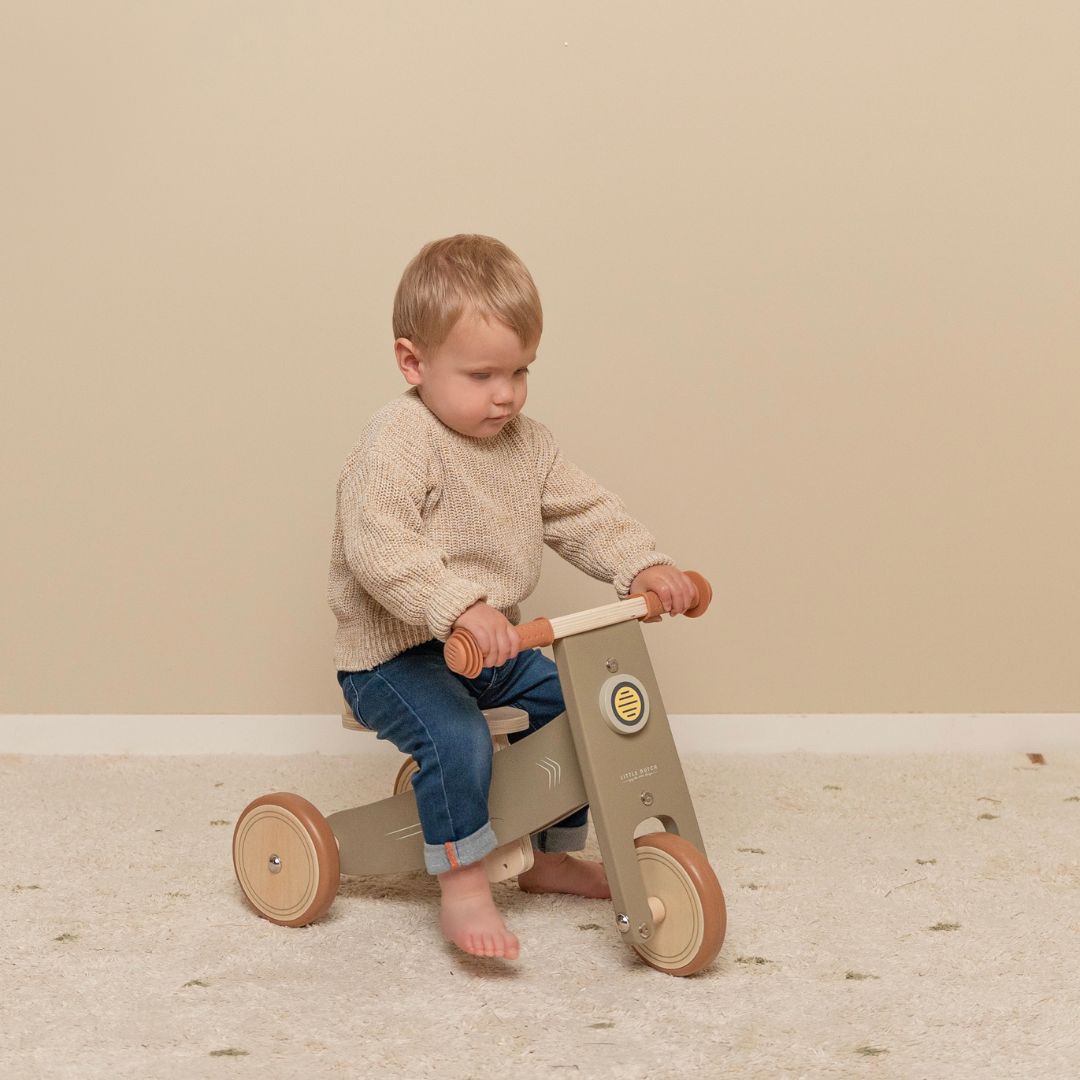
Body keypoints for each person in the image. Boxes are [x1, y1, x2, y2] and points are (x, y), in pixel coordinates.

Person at [328, 234, 697, 961]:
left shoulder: (528, 445)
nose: (505, 394)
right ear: (413, 362)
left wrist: (642, 567)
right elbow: (381, 549)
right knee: (458, 737)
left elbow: (583, 513)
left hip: (488, 646)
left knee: (581, 707)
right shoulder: (397, 441)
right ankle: (463, 883)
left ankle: (552, 854)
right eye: (481, 374)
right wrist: (459, 605)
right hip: (395, 658)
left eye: (520, 371)